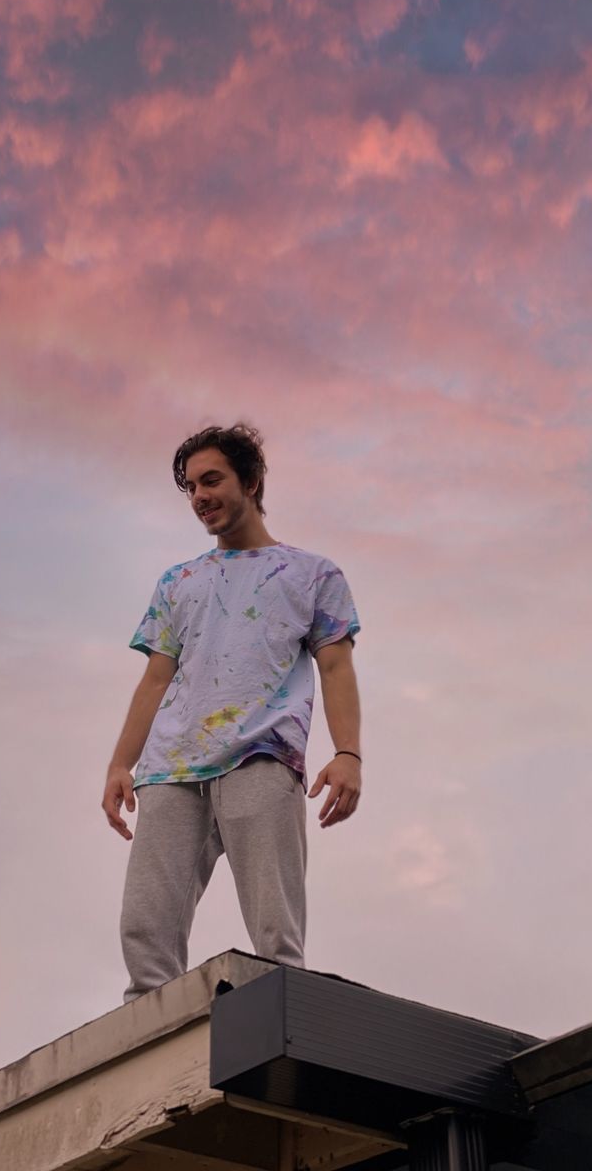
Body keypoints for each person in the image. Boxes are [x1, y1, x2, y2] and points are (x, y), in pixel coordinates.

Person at [102, 423, 362, 1002]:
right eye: (191, 487)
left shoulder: (313, 575)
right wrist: (122, 762)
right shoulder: (179, 582)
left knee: (275, 927)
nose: (200, 496)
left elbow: (336, 668)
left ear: (251, 480)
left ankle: (282, 1033)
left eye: (212, 480)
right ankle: (148, 1047)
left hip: (261, 755)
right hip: (171, 769)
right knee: (147, 925)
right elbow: (155, 678)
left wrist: (348, 754)